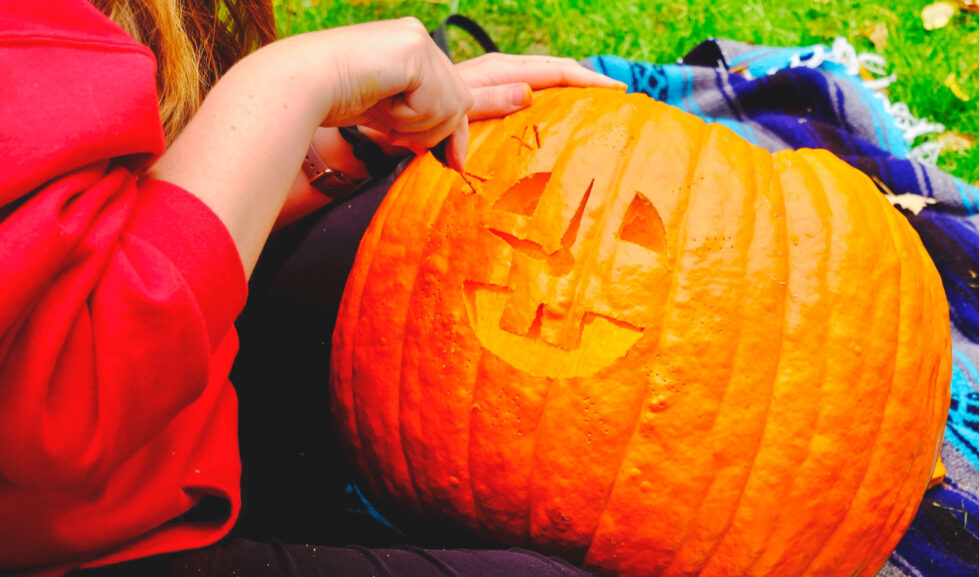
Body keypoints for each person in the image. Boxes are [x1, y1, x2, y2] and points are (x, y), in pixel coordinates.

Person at [0, 1, 624, 575]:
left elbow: (104, 214)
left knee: (421, 224)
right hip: (87, 533)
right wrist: (289, 84)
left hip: (168, 411)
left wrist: (360, 138)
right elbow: (61, 400)